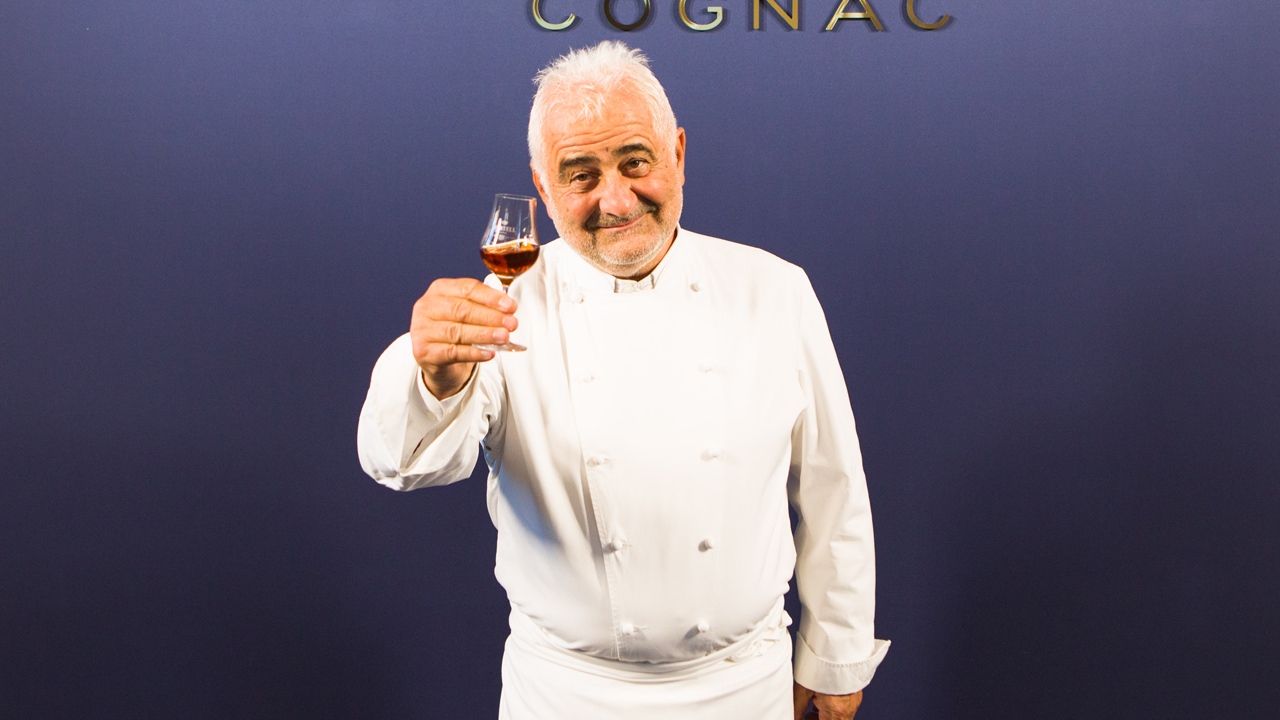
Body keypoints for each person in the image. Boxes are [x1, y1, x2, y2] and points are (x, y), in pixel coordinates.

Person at [357, 41, 889, 720]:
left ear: (678, 155)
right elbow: (402, 464)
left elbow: (831, 485)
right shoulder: (503, 306)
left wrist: (837, 656)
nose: (614, 199)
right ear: (543, 187)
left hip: (740, 687)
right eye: (580, 175)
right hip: (565, 695)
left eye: (636, 162)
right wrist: (434, 376)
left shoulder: (774, 290)